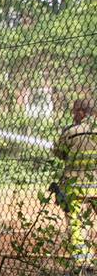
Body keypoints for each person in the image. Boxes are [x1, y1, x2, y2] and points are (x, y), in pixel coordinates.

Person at [53, 98, 97, 263]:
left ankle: (84, 264)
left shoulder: (71, 132)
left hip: (76, 186)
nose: (73, 115)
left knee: (76, 225)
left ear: (81, 112)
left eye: (74, 111)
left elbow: (59, 153)